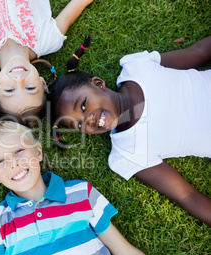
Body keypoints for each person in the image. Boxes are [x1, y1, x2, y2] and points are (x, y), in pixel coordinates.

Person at [50, 36, 211, 226]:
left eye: (84, 106)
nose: (88, 120)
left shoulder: (136, 68)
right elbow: (187, 195)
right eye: (78, 125)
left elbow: (198, 53)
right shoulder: (126, 153)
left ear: (99, 84)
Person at [0, 121, 157, 255]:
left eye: (19, 150)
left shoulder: (81, 194)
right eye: (0, 161)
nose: (13, 163)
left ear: (38, 152)